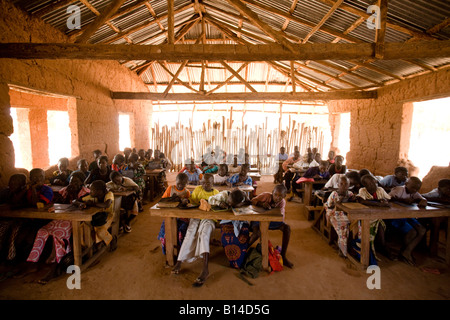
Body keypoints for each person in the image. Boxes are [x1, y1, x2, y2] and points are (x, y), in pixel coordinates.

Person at [26, 171, 90, 284]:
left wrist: (74, 197)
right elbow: (58, 205)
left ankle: (56, 266)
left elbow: (84, 208)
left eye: (75, 181)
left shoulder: (86, 192)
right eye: (71, 180)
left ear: (81, 183)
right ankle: (33, 262)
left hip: (76, 220)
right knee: (42, 231)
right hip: (61, 218)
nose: (72, 183)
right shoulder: (65, 190)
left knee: (58, 235)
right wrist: (66, 195)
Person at [171, 174, 219, 287]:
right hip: (196, 217)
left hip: (209, 219)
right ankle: (179, 262)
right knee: (190, 233)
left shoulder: (216, 193)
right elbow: (191, 202)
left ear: (213, 183)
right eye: (203, 182)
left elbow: (218, 209)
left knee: (204, 235)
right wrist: (186, 202)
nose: (205, 185)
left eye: (208, 183)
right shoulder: (198, 189)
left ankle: (205, 269)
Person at [250, 184, 293, 268]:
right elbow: (252, 200)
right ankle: (243, 251)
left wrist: (270, 210)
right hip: (258, 220)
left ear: (284, 196)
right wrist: (261, 204)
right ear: (272, 192)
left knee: (287, 228)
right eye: (275, 194)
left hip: (272, 222)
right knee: (257, 233)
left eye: (280, 196)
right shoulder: (266, 195)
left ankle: (283, 256)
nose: (277, 198)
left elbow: (279, 217)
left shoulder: (282, 203)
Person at [388, 177, 427, 266]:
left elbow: (422, 198)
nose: (415, 190)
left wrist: (423, 201)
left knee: (422, 230)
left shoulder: (415, 192)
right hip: (396, 217)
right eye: (413, 187)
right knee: (412, 232)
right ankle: (406, 252)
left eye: (417, 189)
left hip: (408, 216)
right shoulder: (399, 189)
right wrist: (402, 200)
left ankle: (407, 251)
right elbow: (387, 198)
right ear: (406, 184)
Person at [208, 189, 250, 269]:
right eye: (229, 202)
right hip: (227, 220)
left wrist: (243, 203)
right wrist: (219, 203)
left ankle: (239, 261)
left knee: (242, 237)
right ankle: (233, 260)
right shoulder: (223, 195)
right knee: (228, 237)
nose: (229, 204)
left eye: (232, 204)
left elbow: (249, 203)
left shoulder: (243, 197)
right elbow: (210, 199)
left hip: (240, 220)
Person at [356, 174, 391, 262]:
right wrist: (379, 204)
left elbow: (388, 199)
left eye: (375, 183)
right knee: (378, 227)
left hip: (378, 216)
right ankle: (371, 249)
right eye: (370, 184)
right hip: (367, 217)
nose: (374, 185)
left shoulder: (380, 190)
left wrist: (385, 201)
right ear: (365, 186)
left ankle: (381, 246)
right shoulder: (362, 191)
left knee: (382, 226)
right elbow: (361, 201)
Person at [74, 180, 115, 249]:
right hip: (95, 217)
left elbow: (106, 205)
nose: (90, 192)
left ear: (99, 191)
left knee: (99, 231)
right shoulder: (91, 196)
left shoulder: (109, 194)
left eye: (92, 190)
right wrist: (80, 204)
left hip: (108, 216)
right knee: (81, 227)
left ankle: (111, 239)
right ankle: (86, 246)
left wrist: (92, 204)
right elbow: (75, 201)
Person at [157, 173, 191, 254]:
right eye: (178, 183)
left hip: (181, 216)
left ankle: (180, 250)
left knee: (181, 231)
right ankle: (166, 249)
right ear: (175, 181)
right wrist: (173, 199)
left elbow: (188, 205)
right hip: (170, 214)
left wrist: (186, 201)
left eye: (183, 184)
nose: (180, 186)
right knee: (166, 230)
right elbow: (163, 200)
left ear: (187, 183)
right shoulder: (170, 188)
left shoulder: (187, 192)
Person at [324, 176, 356, 257]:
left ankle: (354, 248)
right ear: (338, 184)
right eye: (341, 184)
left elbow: (353, 205)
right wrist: (338, 202)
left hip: (347, 214)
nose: (344, 186)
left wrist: (353, 200)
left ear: (349, 185)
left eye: (346, 184)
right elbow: (329, 207)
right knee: (343, 227)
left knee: (357, 224)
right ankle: (342, 249)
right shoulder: (334, 194)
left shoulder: (350, 194)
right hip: (334, 215)